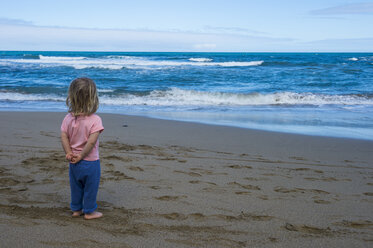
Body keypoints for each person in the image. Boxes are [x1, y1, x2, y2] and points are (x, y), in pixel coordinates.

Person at [60, 77, 104, 220]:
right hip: (90, 161)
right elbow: (91, 143)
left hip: (73, 161)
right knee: (90, 187)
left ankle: (76, 209)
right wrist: (82, 156)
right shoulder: (95, 120)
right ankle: (89, 212)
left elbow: (64, 136)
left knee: (76, 186)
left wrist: (68, 153)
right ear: (93, 98)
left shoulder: (68, 118)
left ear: (71, 96)